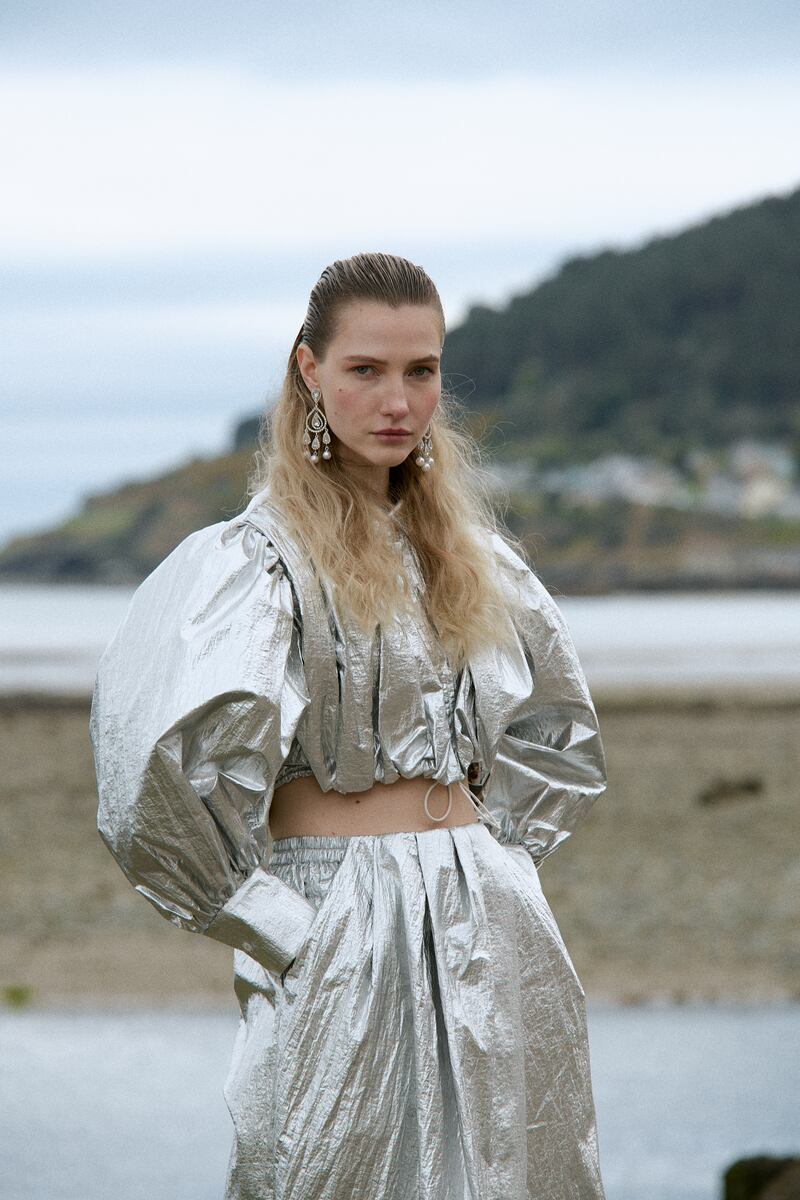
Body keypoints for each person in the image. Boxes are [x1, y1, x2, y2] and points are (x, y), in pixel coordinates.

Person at [89, 251, 609, 1199]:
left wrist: (507, 865)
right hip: (333, 915)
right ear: (308, 370)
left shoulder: (475, 556)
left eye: (423, 370)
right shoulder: (251, 563)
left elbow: (555, 729)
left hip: (492, 915)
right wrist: (280, 923)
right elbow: (150, 780)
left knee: (512, 1176)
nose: (397, 400)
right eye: (366, 369)